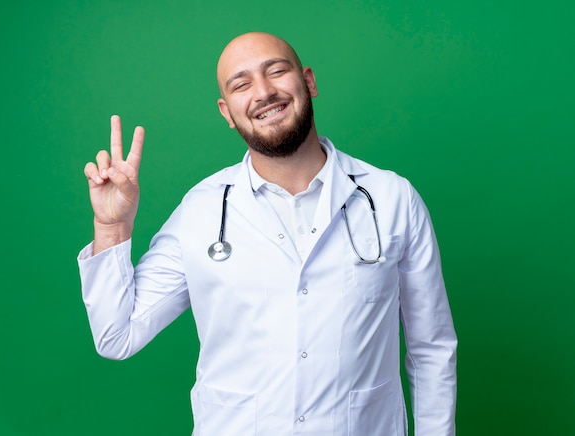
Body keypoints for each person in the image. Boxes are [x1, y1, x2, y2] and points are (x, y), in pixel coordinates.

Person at [79, 32, 457, 435]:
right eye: (241, 84)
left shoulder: (391, 197)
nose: (263, 92)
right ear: (227, 111)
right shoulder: (203, 209)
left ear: (308, 81)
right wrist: (112, 226)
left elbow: (431, 348)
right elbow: (117, 336)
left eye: (276, 71)